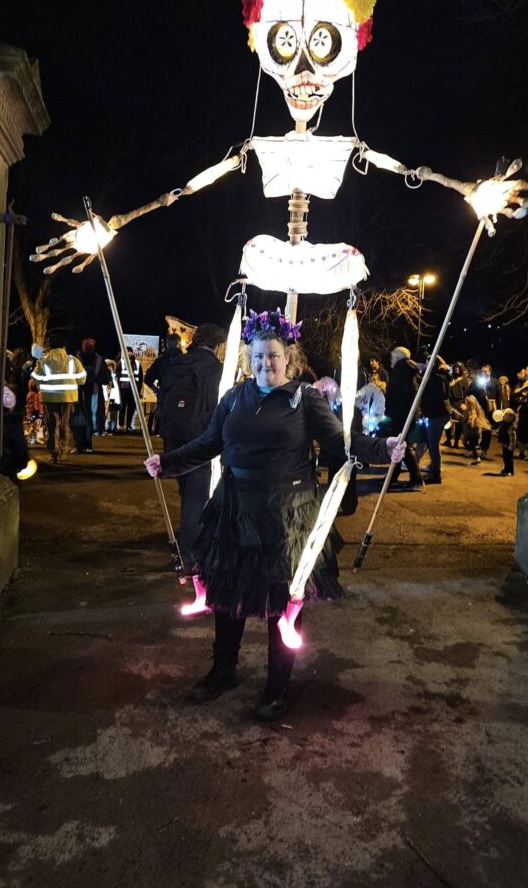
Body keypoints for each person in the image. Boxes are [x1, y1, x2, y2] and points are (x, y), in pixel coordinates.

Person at [144, 309, 405, 721]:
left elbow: (341, 441)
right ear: (250, 359)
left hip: (287, 512)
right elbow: (209, 443)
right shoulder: (234, 397)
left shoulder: (307, 399)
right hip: (234, 506)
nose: (267, 363)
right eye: (260, 356)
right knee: (227, 595)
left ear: (290, 359)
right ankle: (223, 670)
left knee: (282, 601)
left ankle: (276, 686)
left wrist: (382, 449)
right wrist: (168, 462)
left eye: (275, 356)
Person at [159, 323, 227, 569]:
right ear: (218, 345)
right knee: (196, 497)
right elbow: (217, 406)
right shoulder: (215, 370)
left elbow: (163, 393)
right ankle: (190, 552)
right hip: (199, 439)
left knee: (186, 490)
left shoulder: (177, 363)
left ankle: (189, 539)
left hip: (172, 436)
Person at [32, 334, 86, 463]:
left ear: (50, 347)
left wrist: (45, 382)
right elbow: (82, 379)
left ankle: (54, 454)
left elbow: (35, 377)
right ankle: (63, 452)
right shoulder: (73, 360)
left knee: (51, 426)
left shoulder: (44, 360)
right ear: (64, 346)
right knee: (64, 425)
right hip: (69, 397)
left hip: (49, 397)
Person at [385, 346, 424, 490]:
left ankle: (416, 478)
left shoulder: (402, 372)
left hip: (402, 416)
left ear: (399, 357)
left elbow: (399, 396)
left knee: (402, 446)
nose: (391, 359)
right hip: (404, 415)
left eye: (393, 356)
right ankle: (392, 476)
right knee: (399, 445)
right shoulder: (406, 372)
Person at [418, 354, 451, 484]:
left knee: (433, 444)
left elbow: (439, 395)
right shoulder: (438, 375)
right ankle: (434, 467)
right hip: (437, 412)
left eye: (428, 362)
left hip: (437, 413)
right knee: (431, 442)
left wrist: (426, 402)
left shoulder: (437, 377)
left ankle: (436, 474)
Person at [145, 333, 183, 433]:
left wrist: (156, 390)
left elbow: (147, 379)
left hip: (164, 394)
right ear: (179, 344)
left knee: (163, 420)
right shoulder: (186, 360)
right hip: (182, 396)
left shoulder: (160, 361)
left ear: (167, 344)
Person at [77, 338, 111, 437]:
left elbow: (106, 378)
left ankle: (95, 429)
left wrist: (95, 379)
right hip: (80, 391)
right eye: (87, 347)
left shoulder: (99, 360)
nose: (88, 349)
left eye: (90, 347)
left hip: (95, 391)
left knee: (94, 414)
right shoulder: (77, 359)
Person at [116, 347, 143, 433]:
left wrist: (139, 389)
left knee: (131, 408)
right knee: (122, 407)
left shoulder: (137, 363)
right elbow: (117, 374)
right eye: (126, 352)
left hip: (134, 389)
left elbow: (141, 377)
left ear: (131, 353)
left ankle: (128, 426)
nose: (128, 354)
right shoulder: (121, 362)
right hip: (124, 388)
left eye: (129, 352)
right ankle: (120, 426)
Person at [463, 394, 492, 464]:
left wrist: (472, 422)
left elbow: (473, 415)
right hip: (476, 429)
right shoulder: (477, 409)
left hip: (472, 428)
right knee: (472, 443)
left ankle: (477, 457)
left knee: (470, 443)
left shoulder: (472, 408)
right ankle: (476, 457)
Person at [497, 407, 518, 476]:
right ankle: (506, 469)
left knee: (509, 458)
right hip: (505, 444)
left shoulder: (511, 427)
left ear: (511, 417)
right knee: (505, 457)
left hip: (509, 445)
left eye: (506, 415)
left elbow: (513, 438)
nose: (504, 416)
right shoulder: (504, 424)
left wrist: (511, 447)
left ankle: (510, 470)